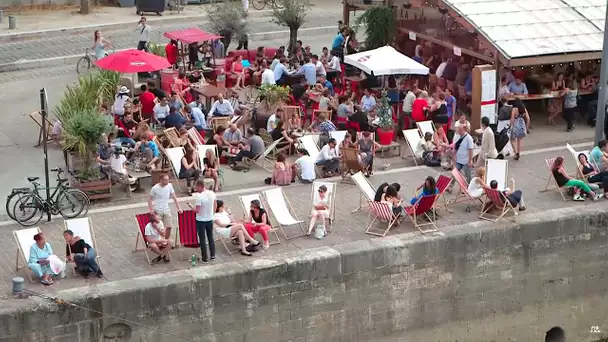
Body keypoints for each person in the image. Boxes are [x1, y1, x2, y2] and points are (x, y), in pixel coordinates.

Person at [148, 173, 183, 240]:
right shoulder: (155, 188)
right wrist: (151, 209)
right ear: (161, 180)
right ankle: (159, 240)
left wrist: (178, 207)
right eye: (165, 180)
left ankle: (166, 240)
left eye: (168, 180)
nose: (167, 181)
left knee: (169, 226)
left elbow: (174, 197)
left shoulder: (169, 186)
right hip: (158, 210)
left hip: (166, 209)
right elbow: (149, 199)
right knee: (158, 227)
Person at [194, 179, 217, 262]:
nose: (196, 189)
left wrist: (190, 207)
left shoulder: (199, 197)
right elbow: (215, 205)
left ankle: (205, 258)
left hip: (201, 220)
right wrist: (212, 214)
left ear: (200, 186)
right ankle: (213, 255)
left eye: (196, 187)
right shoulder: (212, 193)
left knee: (202, 239)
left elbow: (197, 210)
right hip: (209, 219)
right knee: (210, 237)